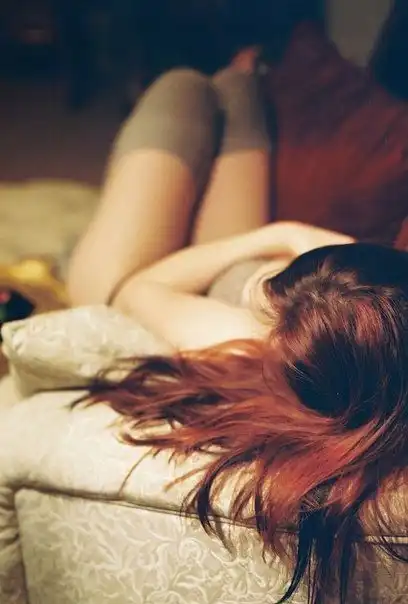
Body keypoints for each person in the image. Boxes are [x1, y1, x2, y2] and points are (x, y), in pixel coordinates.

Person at [67, 66, 408, 603]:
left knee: (182, 87)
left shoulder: (238, 334)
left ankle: (221, 71)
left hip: (132, 276)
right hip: (234, 263)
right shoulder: (362, 336)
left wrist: (279, 234)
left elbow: (138, 287)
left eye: (266, 300)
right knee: (236, 91)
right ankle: (242, 70)